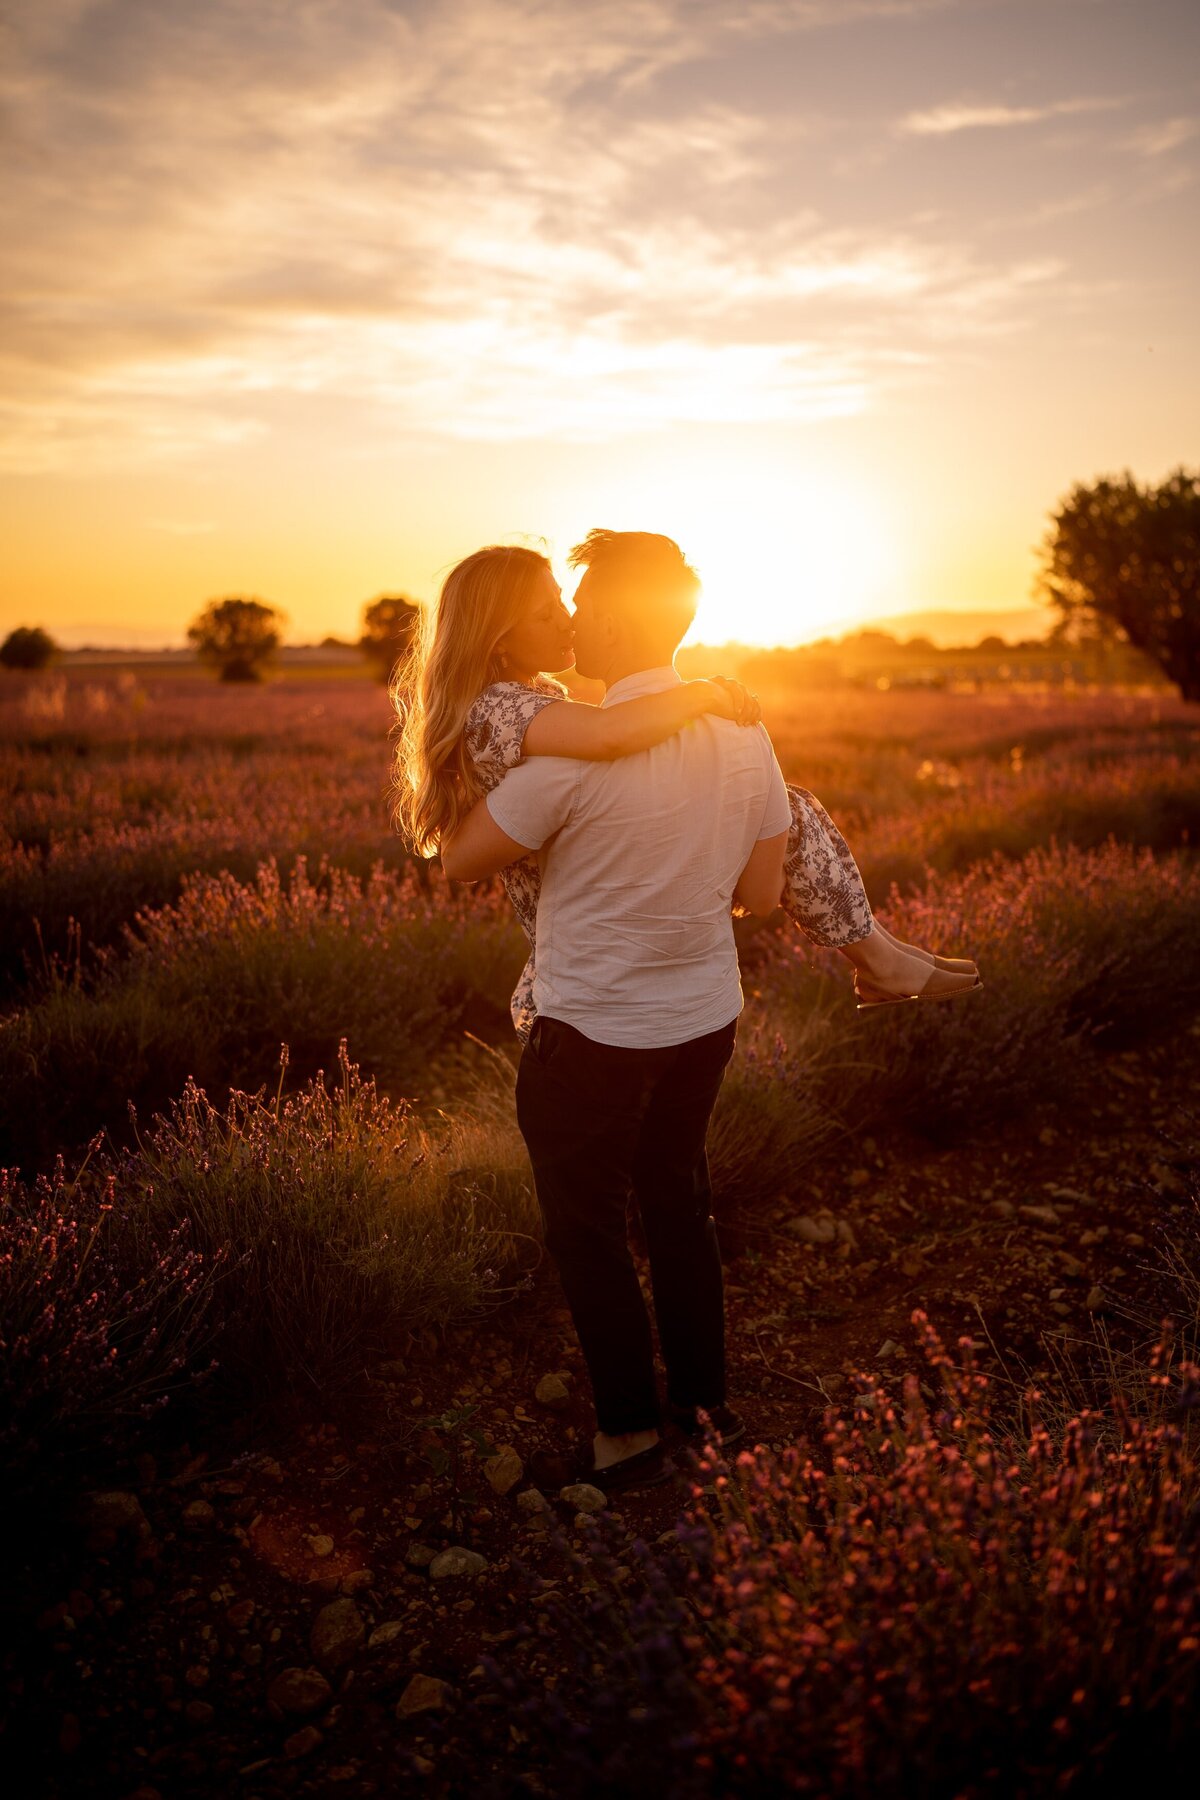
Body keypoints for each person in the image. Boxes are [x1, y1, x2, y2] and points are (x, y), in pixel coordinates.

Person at [391, 533, 978, 1491]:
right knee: (679, 1205)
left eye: (577, 601)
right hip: (702, 1019)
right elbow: (753, 893)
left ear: (614, 619)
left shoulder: (560, 761)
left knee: (586, 1230)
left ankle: (627, 1427)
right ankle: (706, 1407)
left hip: (587, 1031)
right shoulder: (746, 734)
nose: (570, 618)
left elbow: (457, 863)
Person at [391, 543, 980, 1036]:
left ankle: (880, 952)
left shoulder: (533, 699)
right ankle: (876, 955)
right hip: (577, 927)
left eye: (566, 603)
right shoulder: (500, 708)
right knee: (781, 808)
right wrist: (701, 694)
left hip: (597, 928)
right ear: (498, 639)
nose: (568, 618)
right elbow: (612, 731)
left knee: (786, 805)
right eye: (548, 613)